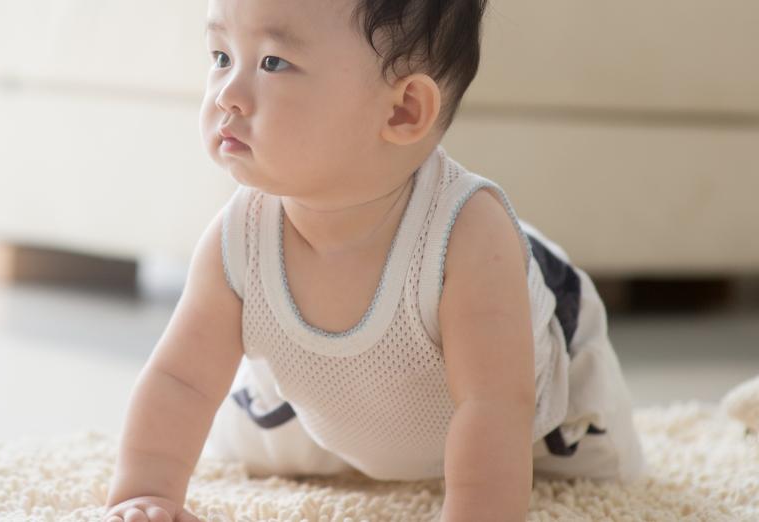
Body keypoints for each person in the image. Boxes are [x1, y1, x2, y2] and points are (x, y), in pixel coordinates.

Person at [102, 0, 646, 521]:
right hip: (333, 398)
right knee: (249, 435)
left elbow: (495, 407)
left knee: (592, 472)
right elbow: (181, 381)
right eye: (220, 57)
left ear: (403, 110)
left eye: (273, 62)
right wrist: (146, 491)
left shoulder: (468, 237)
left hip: (537, 413)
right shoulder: (237, 237)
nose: (229, 94)